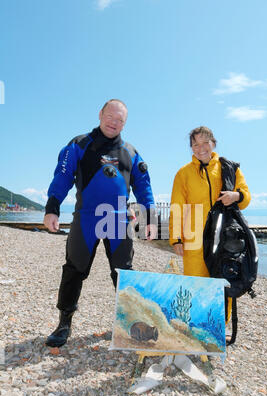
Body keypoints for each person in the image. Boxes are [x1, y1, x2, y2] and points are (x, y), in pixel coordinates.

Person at [44, 99, 157, 347]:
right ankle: (64, 323)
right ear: (100, 114)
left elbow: (143, 186)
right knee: (74, 269)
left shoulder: (130, 151)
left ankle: (130, 322)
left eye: (120, 120)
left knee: (124, 273)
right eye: (110, 117)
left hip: (118, 220)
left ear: (124, 123)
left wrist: (149, 218)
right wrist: (52, 208)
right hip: (86, 217)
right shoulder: (80, 144)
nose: (114, 123)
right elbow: (62, 177)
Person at [169, 126, 251, 328]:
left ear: (213, 143)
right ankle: (196, 326)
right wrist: (176, 238)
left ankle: (219, 328)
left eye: (205, 142)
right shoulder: (184, 173)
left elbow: (246, 197)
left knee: (224, 282)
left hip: (225, 236)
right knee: (195, 283)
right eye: (195, 144)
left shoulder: (230, 168)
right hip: (194, 237)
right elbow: (177, 207)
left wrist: (236, 196)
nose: (201, 148)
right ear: (191, 148)